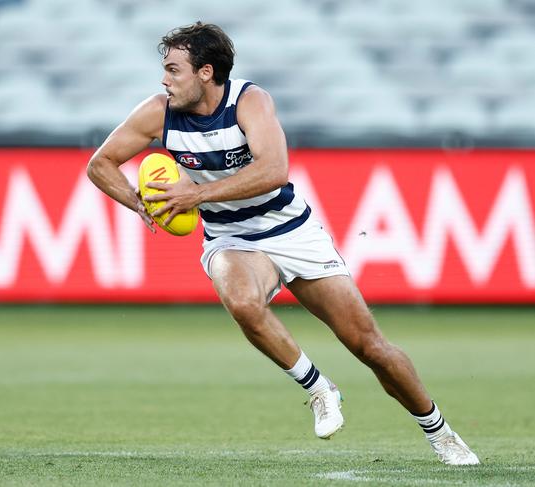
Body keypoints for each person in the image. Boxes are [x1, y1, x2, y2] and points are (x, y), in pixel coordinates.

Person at [87, 22, 479, 466]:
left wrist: (194, 195)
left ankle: (440, 432)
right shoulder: (158, 113)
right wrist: (140, 203)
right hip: (230, 237)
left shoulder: (250, 101)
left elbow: (274, 169)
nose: (164, 80)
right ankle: (319, 389)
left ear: (205, 72)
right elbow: (100, 164)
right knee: (241, 301)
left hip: (291, 230)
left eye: (174, 70)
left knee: (369, 345)